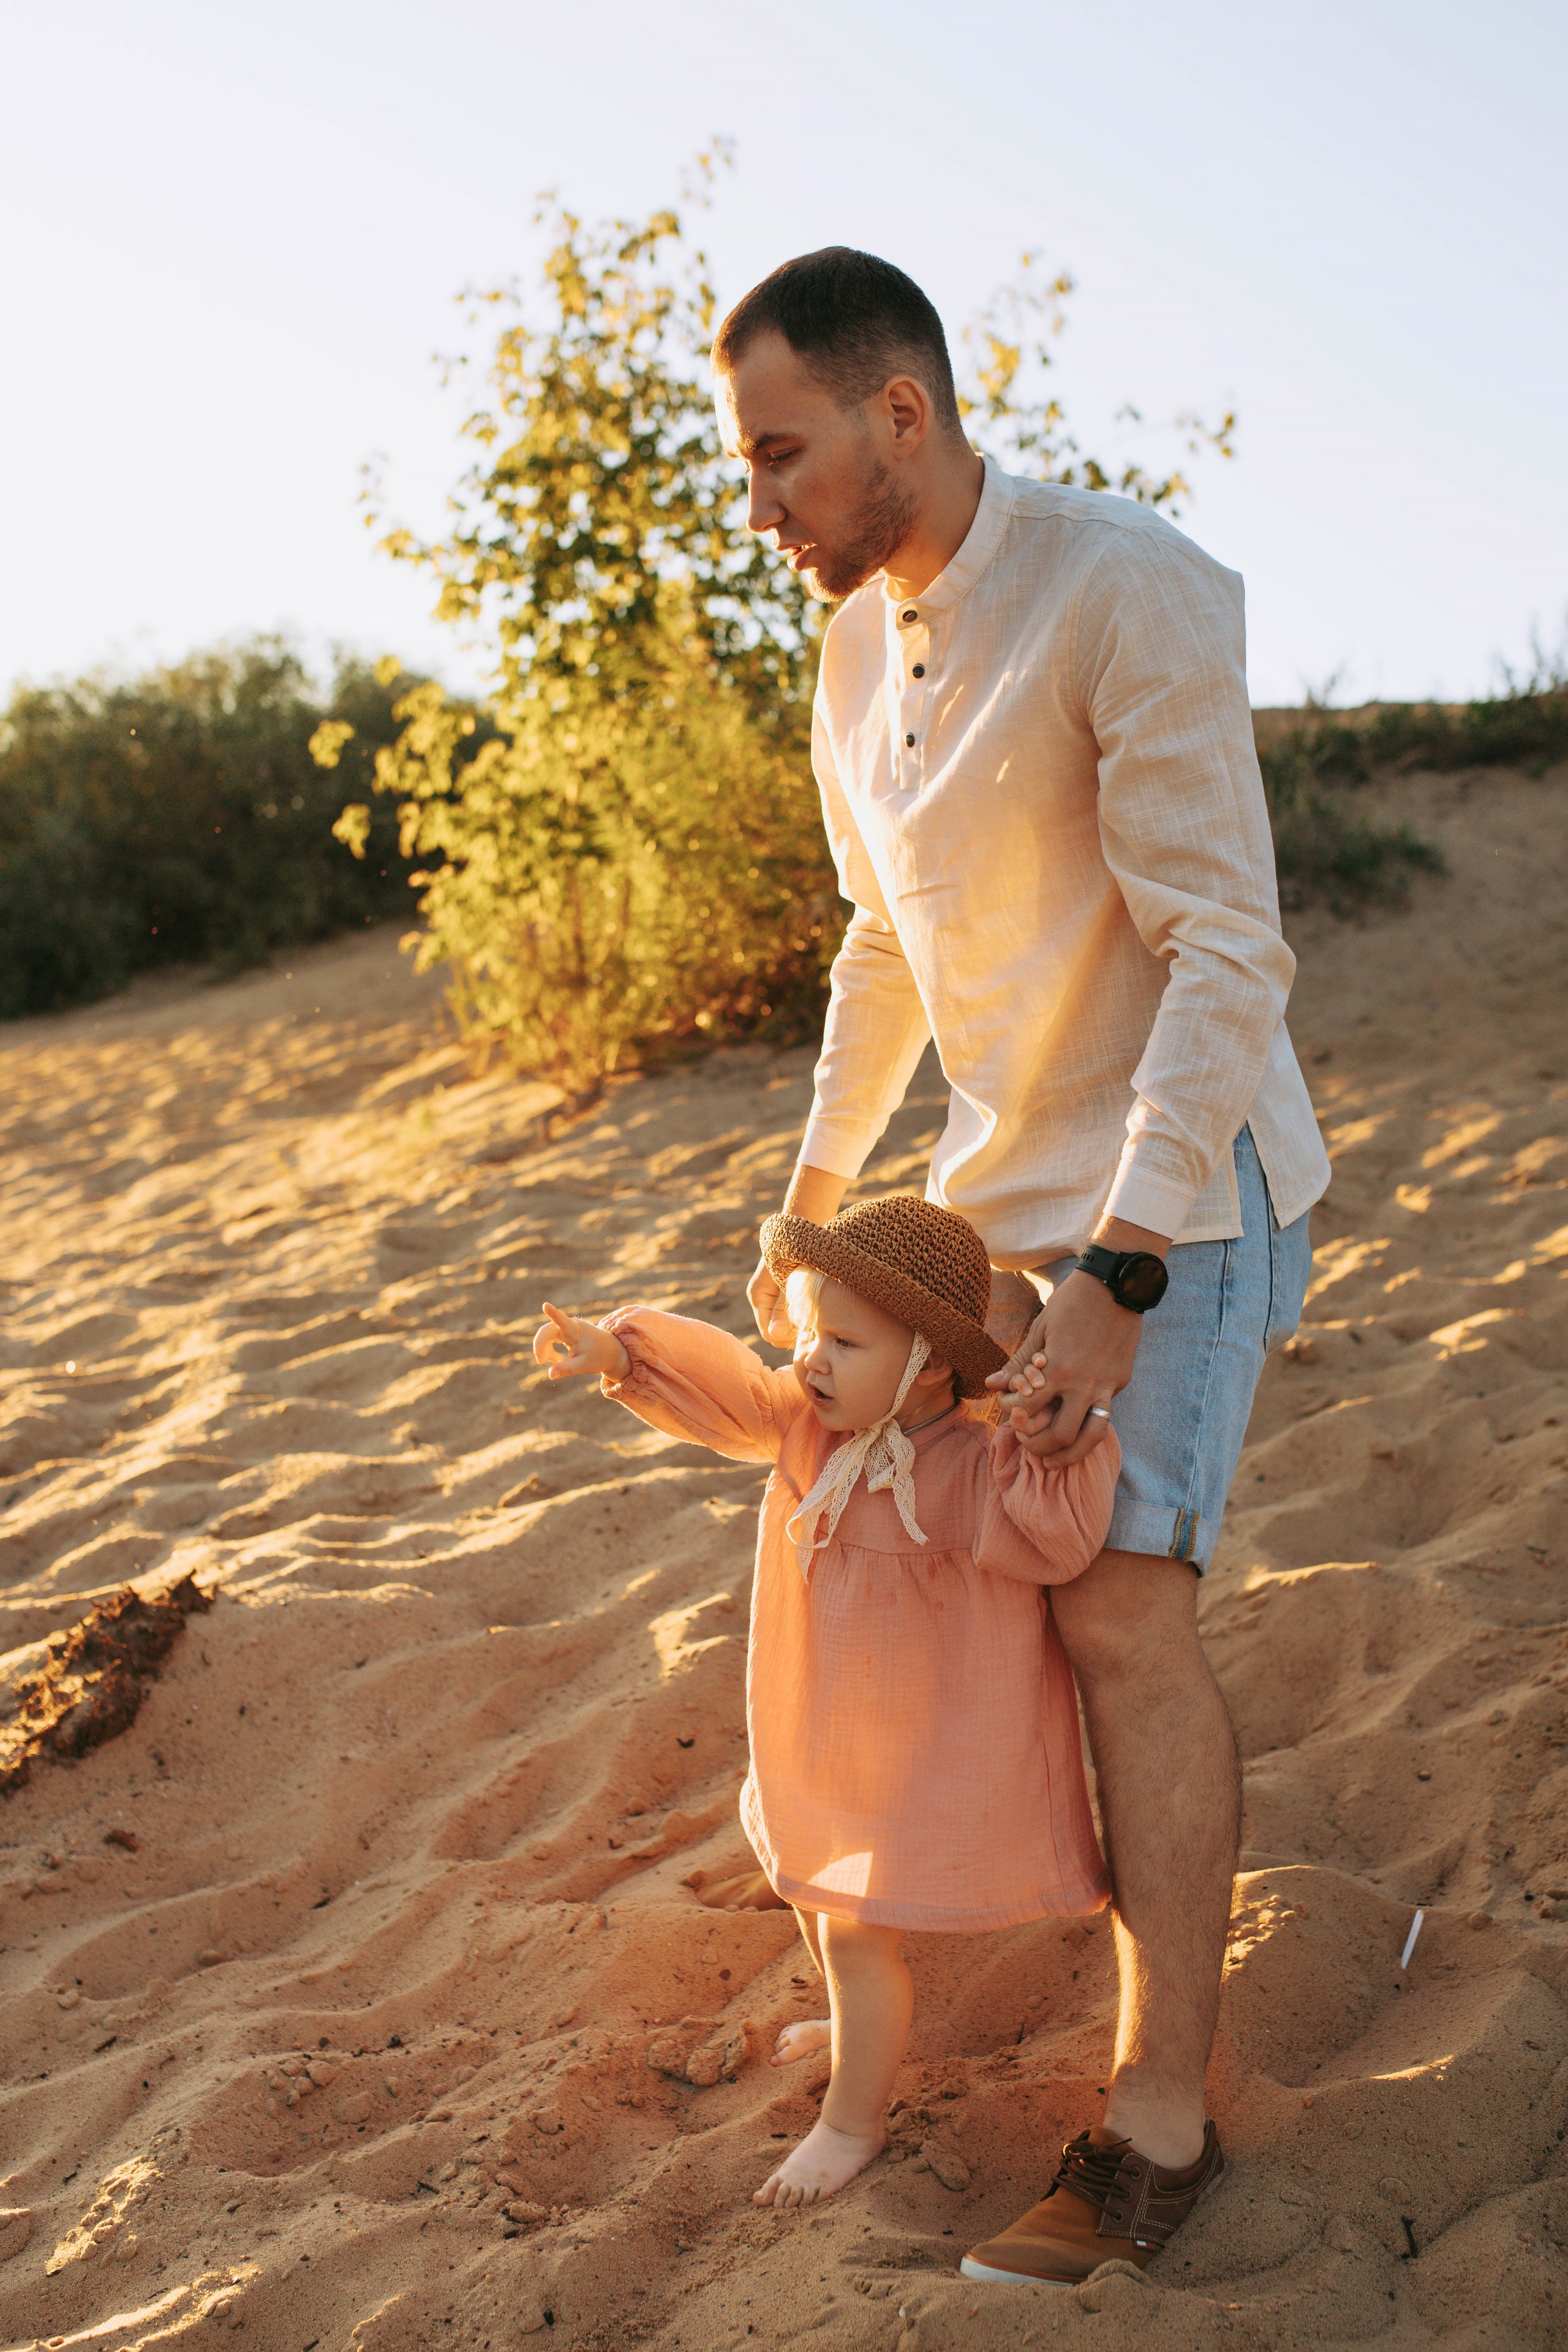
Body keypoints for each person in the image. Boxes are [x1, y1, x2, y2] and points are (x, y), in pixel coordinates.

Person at [709, 247, 1331, 2283]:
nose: (763, 500)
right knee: (999, 1609)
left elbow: (1230, 953)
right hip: (1000, 1198)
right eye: (746, 464)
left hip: (1187, 1191)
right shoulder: (847, 653)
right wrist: (811, 1205)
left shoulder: (1125, 584)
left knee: (1125, 1617)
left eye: (785, 454)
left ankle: (1157, 2124)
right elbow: (887, 942)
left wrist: (1123, 1268)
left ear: (903, 414)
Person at [532, 1193, 1118, 2209]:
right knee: (814, 1889)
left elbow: (1059, 1537)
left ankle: (854, 2121)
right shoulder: (804, 1426)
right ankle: (859, 2037)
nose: (811, 1359)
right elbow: (731, 1388)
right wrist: (621, 1355)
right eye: (810, 1330)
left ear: (933, 1362)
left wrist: (1041, 1431)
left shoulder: (977, 1465)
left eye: (844, 1341)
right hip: (825, 1725)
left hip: (924, 1742)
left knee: (856, 1931)